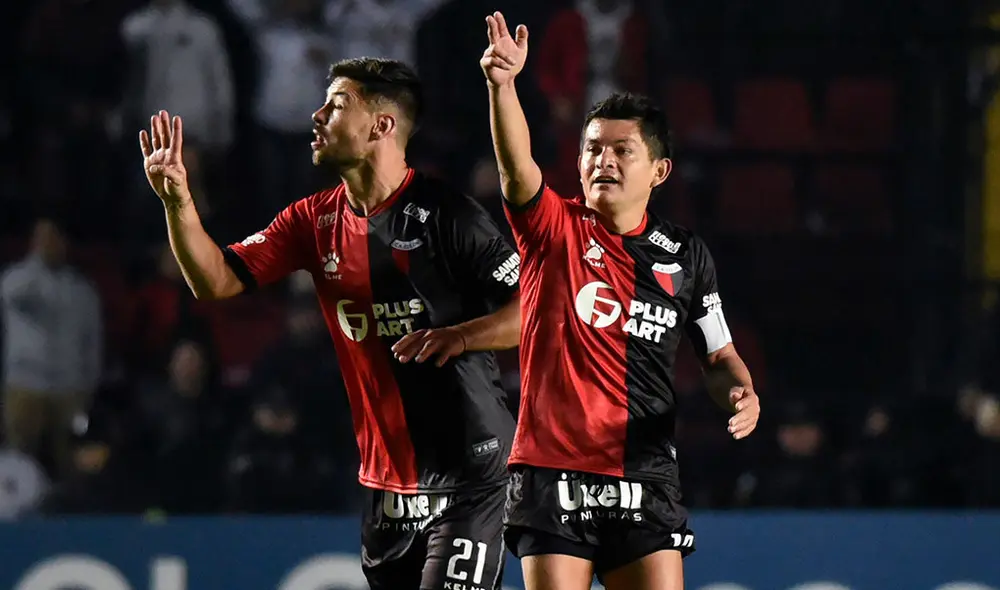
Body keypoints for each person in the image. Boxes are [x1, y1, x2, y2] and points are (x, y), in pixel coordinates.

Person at [139, 57, 519, 590]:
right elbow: (216, 281)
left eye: (337, 104)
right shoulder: (312, 221)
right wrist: (178, 202)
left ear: (381, 126)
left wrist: (461, 336)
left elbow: (535, 311)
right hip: (385, 488)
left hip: (471, 476)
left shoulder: (449, 215)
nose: (316, 115)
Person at [480, 12, 761, 590]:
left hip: (646, 474)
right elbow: (516, 170)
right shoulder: (553, 228)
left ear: (659, 170)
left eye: (621, 150)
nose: (602, 160)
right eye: (591, 149)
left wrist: (740, 389)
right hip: (552, 471)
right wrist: (503, 86)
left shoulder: (685, 256)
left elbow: (717, 355)